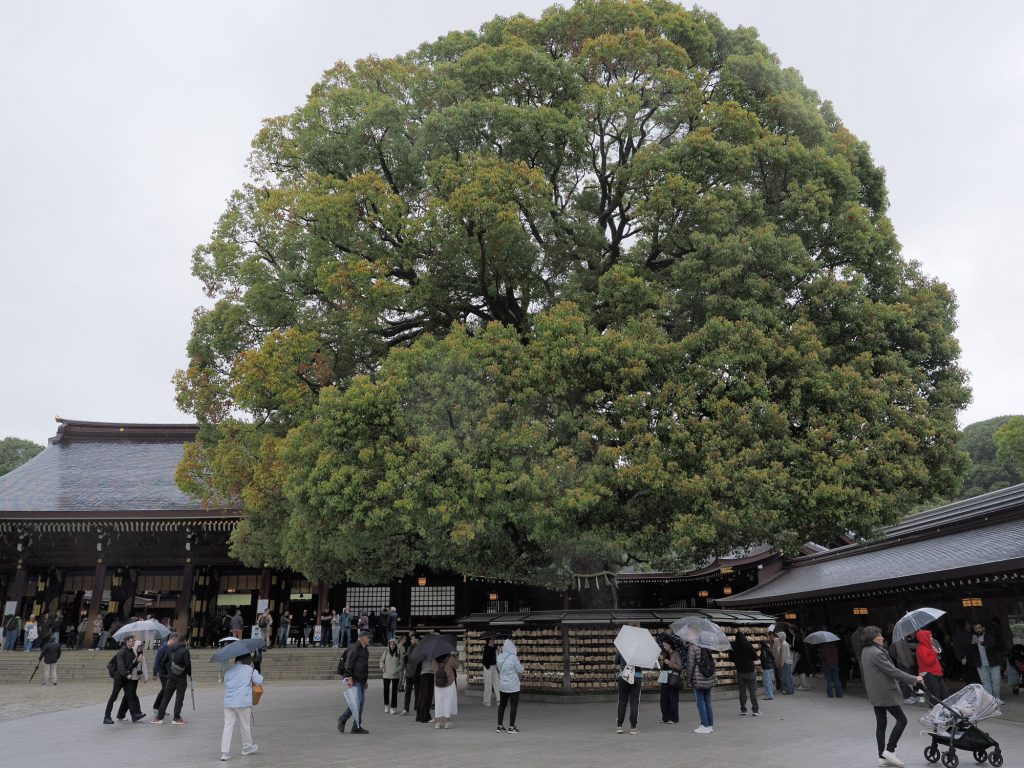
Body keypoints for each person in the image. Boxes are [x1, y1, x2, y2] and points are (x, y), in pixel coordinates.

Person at [860, 626, 923, 768]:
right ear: (872, 638)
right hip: (885, 692)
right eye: (879, 635)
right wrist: (914, 679)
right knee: (902, 720)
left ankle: (881, 756)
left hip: (875, 692)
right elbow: (893, 671)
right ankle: (890, 750)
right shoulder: (876, 653)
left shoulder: (866, 651)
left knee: (881, 724)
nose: (882, 637)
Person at [221, 653, 263, 760]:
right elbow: (259, 680)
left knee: (228, 726)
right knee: (245, 725)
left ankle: (224, 753)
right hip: (243, 702)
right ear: (247, 659)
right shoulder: (250, 669)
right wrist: (256, 667)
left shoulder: (229, 670)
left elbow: (226, 682)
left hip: (229, 702)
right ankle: (246, 748)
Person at [103, 635, 147, 724]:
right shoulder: (122, 652)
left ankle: (134, 715)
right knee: (113, 697)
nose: (133, 643)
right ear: (127, 641)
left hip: (127, 677)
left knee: (130, 695)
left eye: (134, 641)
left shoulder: (132, 652)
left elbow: (130, 666)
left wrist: (137, 661)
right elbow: (120, 666)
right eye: (132, 641)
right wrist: (126, 674)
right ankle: (106, 717)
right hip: (119, 677)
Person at [151, 632, 191, 725]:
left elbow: (162, 662)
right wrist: (189, 674)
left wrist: (167, 673)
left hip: (171, 677)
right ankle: (176, 718)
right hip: (181, 678)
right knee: (179, 698)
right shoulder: (185, 650)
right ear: (185, 641)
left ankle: (159, 718)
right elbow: (188, 664)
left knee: (166, 697)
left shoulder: (169, 649)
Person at [338, 629, 371, 734]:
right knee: (357, 703)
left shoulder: (365, 649)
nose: (369, 639)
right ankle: (350, 722)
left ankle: (353, 724)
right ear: (363, 638)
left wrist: (365, 681)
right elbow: (349, 663)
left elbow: (364, 667)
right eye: (368, 637)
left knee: (358, 704)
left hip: (361, 680)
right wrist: (349, 677)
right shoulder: (354, 648)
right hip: (355, 679)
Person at [968, 620, 1005, 702]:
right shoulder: (973, 637)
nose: (978, 630)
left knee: (996, 681)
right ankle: (991, 699)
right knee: (985, 682)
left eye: (979, 628)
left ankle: (997, 697)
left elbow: (992, 644)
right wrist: (972, 644)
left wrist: (980, 642)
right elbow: (970, 651)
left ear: (983, 628)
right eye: (976, 628)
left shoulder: (989, 635)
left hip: (993, 662)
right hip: (981, 664)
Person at [687, 641, 717, 734]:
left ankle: (704, 725)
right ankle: (709, 725)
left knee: (700, 702)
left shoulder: (692, 647)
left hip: (699, 678)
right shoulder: (707, 644)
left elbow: (691, 665)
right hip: (708, 676)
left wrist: (689, 680)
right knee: (707, 701)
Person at [496, 638, 524, 733]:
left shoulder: (499, 657)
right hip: (513, 686)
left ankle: (499, 726)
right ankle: (511, 727)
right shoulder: (513, 657)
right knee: (513, 706)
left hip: (502, 685)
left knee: (502, 705)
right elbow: (520, 670)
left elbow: (498, 669)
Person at [731, 629, 759, 716]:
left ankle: (743, 710)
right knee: (752, 691)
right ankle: (755, 710)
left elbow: (731, 658)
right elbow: (755, 657)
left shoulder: (733, 646)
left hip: (740, 672)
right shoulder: (748, 645)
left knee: (742, 692)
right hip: (750, 671)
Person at [614, 647, 642, 735]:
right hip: (636, 676)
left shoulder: (622, 648)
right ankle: (633, 728)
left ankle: (619, 726)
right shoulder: (640, 651)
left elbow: (616, 661)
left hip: (623, 676)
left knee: (622, 701)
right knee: (634, 702)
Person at [916, 629, 948, 701]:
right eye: (929, 637)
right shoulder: (921, 648)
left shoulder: (928, 646)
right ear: (924, 638)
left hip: (936, 673)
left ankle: (945, 709)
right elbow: (928, 662)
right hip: (930, 674)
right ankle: (937, 711)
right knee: (936, 695)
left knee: (944, 693)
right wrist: (934, 653)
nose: (931, 638)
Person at [433, 651, 459, 729]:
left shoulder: (435, 659)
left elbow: (433, 669)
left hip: (438, 684)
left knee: (438, 702)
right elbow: (456, 666)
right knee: (447, 701)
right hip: (449, 683)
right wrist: (455, 656)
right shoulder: (450, 658)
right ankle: (447, 722)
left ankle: (438, 722)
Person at [890, 634, 919, 704]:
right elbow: (901, 654)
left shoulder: (902, 639)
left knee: (907, 680)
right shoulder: (899, 640)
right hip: (905, 664)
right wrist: (906, 664)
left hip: (906, 663)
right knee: (905, 680)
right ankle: (906, 697)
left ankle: (908, 696)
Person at [415, 637, 435, 724]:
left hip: (422, 674)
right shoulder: (430, 651)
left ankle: (419, 716)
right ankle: (425, 717)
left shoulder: (421, 651)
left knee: (422, 696)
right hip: (428, 674)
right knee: (427, 696)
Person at [380, 638, 403, 714]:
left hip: (395, 675)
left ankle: (393, 707)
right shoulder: (386, 651)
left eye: (393, 644)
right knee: (386, 690)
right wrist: (382, 667)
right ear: (389, 644)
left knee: (394, 692)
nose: (392, 645)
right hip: (386, 674)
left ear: (395, 645)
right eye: (390, 644)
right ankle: (386, 705)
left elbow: (401, 664)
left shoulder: (399, 652)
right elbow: (381, 661)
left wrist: (397, 670)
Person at [151, 637, 171, 715]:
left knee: (166, 690)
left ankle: (160, 708)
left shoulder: (170, 648)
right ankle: (156, 707)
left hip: (168, 673)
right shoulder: (162, 648)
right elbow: (157, 661)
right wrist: (154, 674)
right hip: (162, 673)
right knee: (165, 690)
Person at [401, 632, 420, 715]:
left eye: (413, 639)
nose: (411, 640)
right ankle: (406, 708)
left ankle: (417, 707)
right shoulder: (409, 648)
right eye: (411, 639)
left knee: (417, 691)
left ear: (417, 639)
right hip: (409, 672)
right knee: (407, 691)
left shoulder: (420, 649)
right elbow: (406, 657)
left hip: (417, 673)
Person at [482, 637, 499, 706]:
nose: (494, 640)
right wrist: (488, 666)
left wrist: (498, 650)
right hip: (487, 668)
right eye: (492, 640)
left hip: (494, 667)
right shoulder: (486, 648)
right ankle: (486, 701)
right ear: (489, 641)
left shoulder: (495, 648)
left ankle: (499, 700)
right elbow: (484, 660)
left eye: (494, 639)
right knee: (488, 685)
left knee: (497, 683)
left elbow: (498, 657)